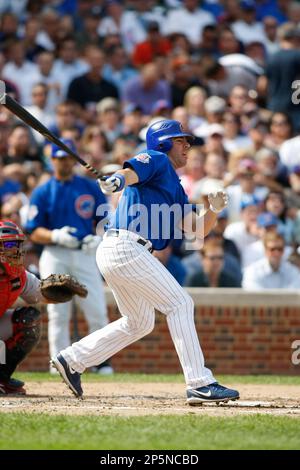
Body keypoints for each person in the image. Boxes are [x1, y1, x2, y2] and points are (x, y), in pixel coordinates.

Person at [51, 119, 239, 405]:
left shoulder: (175, 186)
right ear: (163, 142)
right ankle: (200, 383)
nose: (187, 146)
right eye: (180, 140)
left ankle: (72, 359)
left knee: (139, 323)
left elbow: (196, 229)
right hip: (126, 247)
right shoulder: (157, 158)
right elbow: (130, 172)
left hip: (124, 250)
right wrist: (117, 179)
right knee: (180, 304)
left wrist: (213, 210)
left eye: (187, 141)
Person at [25, 139, 112, 375]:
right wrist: (55, 235)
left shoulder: (89, 187)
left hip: (85, 252)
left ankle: (101, 361)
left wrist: (97, 238)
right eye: (59, 157)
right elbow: (33, 229)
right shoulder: (43, 191)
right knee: (57, 312)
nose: (63, 162)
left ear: (73, 159)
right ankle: (59, 361)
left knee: (95, 308)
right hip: (55, 253)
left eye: (67, 157)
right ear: (52, 159)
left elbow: (104, 221)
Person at [0, 219, 84, 394]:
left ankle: (2, 379)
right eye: (8, 244)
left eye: (17, 245)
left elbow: (40, 294)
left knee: (28, 320)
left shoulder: (18, 276)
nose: (15, 250)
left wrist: (59, 291)